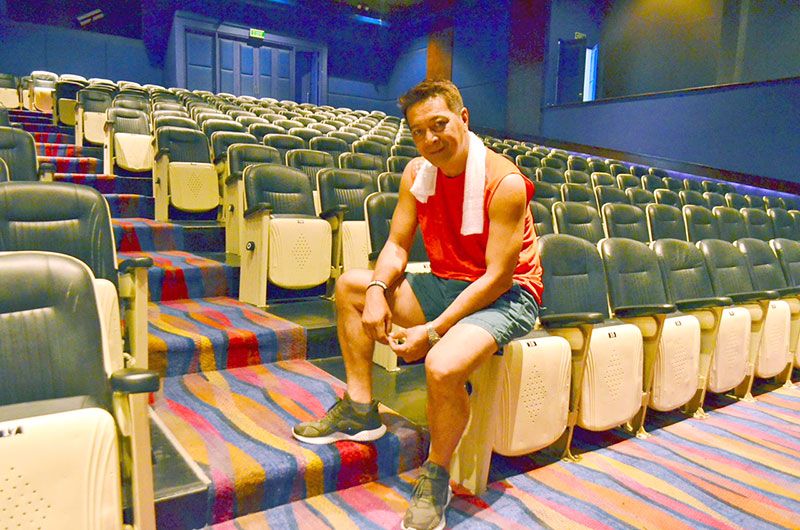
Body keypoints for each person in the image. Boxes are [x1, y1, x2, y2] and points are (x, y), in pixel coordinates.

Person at [293, 79, 543, 530]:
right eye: (418, 131)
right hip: (448, 282)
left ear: (463, 119)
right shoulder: (417, 174)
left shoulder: (504, 182)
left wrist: (432, 331)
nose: (430, 139)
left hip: (507, 296)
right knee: (351, 286)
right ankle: (360, 409)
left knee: (441, 366)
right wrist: (376, 290)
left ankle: (437, 474)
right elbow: (396, 244)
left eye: (439, 124)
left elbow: (497, 278)